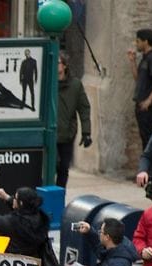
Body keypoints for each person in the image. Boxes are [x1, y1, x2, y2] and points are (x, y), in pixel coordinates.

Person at [56, 51, 91, 188]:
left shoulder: (75, 85)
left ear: (64, 65)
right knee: (51, 166)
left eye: (58, 62)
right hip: (51, 134)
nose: (55, 65)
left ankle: (59, 195)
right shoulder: (46, 82)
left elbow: (84, 108)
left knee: (63, 168)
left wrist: (86, 132)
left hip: (67, 134)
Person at [129, 28, 152, 150]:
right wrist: (133, 62)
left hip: (147, 109)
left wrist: (149, 100)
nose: (137, 44)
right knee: (144, 139)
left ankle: (149, 167)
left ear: (145, 41)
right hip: (140, 106)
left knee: (149, 140)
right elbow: (138, 79)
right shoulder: (145, 58)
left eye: (138, 41)